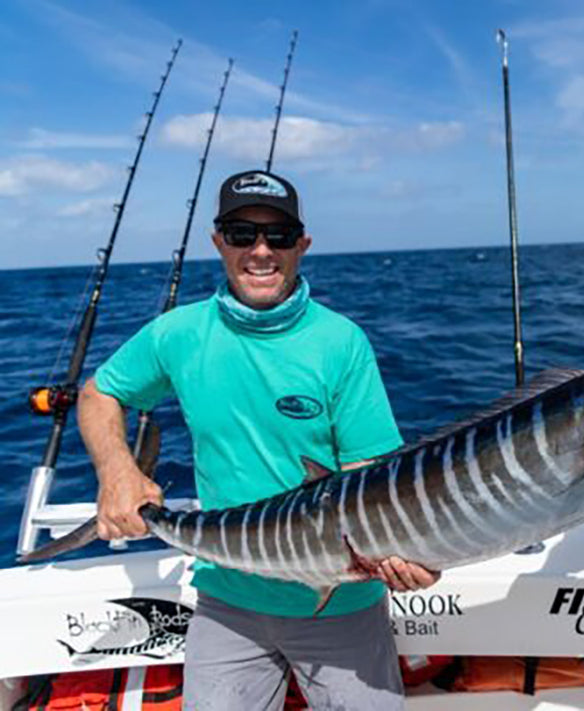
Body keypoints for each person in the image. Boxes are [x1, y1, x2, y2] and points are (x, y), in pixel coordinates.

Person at [78, 170, 437, 710]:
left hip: (342, 606)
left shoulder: (340, 342)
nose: (261, 251)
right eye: (243, 234)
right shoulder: (178, 333)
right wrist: (118, 473)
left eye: (280, 236)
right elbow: (98, 393)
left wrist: (409, 552)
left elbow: (370, 476)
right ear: (219, 242)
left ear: (303, 246)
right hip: (227, 601)